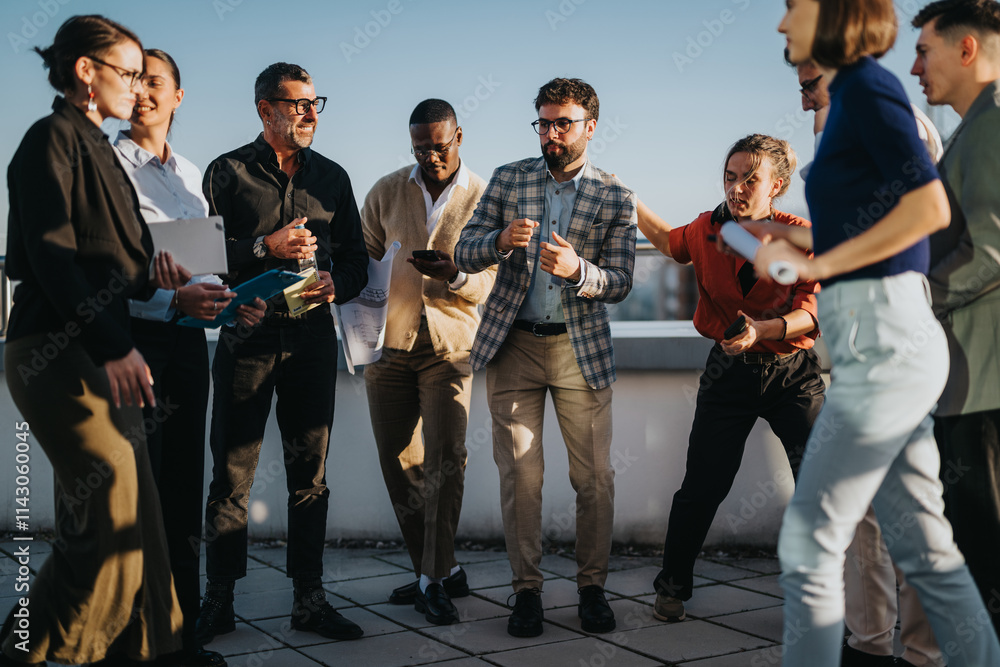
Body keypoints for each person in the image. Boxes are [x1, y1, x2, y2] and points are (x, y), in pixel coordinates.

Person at [755, 1, 1000, 664]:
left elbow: (930, 206)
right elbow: (881, 220)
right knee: (927, 551)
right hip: (880, 337)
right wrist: (795, 242)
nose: (782, 25)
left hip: (885, 338)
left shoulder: (865, 85)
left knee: (809, 539)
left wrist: (817, 263)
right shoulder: (853, 99)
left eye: (792, 9)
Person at [0, 14, 183, 666]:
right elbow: (53, 260)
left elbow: (123, 262)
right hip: (57, 350)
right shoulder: (49, 139)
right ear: (86, 70)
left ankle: (146, 652)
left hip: (100, 346)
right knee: (105, 527)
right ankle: (39, 651)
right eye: (128, 73)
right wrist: (114, 346)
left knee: (142, 523)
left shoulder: (99, 147)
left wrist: (171, 281)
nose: (138, 88)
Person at [454, 77, 636, 638]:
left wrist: (579, 271)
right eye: (543, 122)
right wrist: (501, 240)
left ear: (590, 127)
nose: (551, 133)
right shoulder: (510, 178)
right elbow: (464, 248)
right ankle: (526, 593)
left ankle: (591, 589)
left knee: (595, 479)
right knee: (520, 479)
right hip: (514, 348)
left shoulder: (614, 194)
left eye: (562, 123)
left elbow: (624, 281)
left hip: (580, 351)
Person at [196, 62, 370, 643]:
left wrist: (335, 283)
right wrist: (262, 246)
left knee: (310, 476)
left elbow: (354, 260)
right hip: (246, 337)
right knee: (230, 475)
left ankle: (309, 601)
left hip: (311, 337)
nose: (309, 112)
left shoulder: (335, 178)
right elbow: (205, 256)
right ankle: (218, 601)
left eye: (314, 101)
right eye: (296, 104)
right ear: (264, 109)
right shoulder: (227, 172)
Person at [112, 48, 268, 667]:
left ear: (179, 96)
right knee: (132, 500)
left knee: (180, 492)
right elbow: (103, 267)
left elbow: (201, 269)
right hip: (127, 346)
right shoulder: (106, 167)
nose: (142, 92)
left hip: (182, 345)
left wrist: (232, 306)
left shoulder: (191, 175)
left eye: (155, 82)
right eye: (131, 82)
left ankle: (177, 640)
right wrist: (171, 292)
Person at [795, 56, 946, 667]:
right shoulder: (838, 142)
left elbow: (916, 222)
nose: (806, 103)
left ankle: (921, 651)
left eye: (810, 86)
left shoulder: (892, 120)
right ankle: (869, 643)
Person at [637, 135, 825, 624]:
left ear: (776, 186)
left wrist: (763, 330)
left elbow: (812, 309)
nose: (736, 187)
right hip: (728, 373)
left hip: (793, 376)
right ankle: (671, 587)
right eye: (729, 176)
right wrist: (630, 200)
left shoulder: (799, 233)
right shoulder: (705, 228)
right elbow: (669, 244)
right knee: (702, 486)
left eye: (749, 178)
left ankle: (817, 602)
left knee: (817, 487)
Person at [361, 99, 496, 625]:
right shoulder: (386, 190)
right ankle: (436, 571)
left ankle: (432, 579)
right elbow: (364, 261)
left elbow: (490, 280)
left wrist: (453, 275)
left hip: (450, 349)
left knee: (444, 462)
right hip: (388, 349)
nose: (430, 156)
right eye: (420, 147)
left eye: (439, 146)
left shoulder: (484, 197)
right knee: (400, 463)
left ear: (459, 136)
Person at [912, 0, 1000, 638]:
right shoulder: (976, 128)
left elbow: (989, 252)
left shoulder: (993, 124)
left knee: (985, 552)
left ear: (966, 49)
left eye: (924, 51)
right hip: (970, 375)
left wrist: (915, 300)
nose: (915, 68)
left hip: (983, 380)